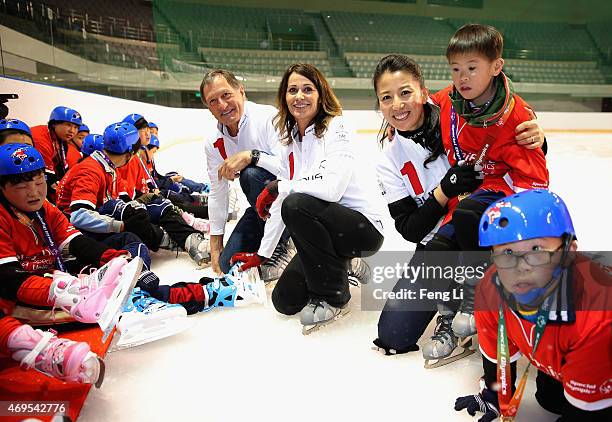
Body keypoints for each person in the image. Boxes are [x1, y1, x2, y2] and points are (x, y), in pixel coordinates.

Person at [372, 54, 546, 359]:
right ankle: (453, 309)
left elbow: (505, 129)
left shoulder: (456, 113)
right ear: (379, 104)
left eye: (405, 93)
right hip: (435, 244)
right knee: (393, 334)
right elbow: (410, 229)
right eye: (387, 98)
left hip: (480, 231)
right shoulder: (388, 158)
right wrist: (444, 191)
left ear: (423, 92)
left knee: (473, 227)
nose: (398, 105)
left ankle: (482, 312)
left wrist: (539, 139)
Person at [416, 24, 550, 366]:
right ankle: (450, 316)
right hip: (464, 198)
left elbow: (537, 181)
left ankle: (481, 296)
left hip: (502, 196)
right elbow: (414, 104)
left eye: (472, 68)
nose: (463, 77)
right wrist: (390, 119)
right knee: (436, 253)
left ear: (496, 66)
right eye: (456, 69)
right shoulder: (448, 100)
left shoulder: (518, 117)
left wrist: (510, 227)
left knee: (470, 216)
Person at [455, 189, 611, 421]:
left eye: (536, 250)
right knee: (550, 399)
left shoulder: (598, 319)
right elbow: (498, 357)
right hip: (564, 346)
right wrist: (495, 396)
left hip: (600, 351)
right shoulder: (489, 288)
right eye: (507, 252)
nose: (520, 266)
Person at [252, 63, 385, 334]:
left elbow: (332, 189)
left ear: (320, 94)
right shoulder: (290, 141)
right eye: (292, 90)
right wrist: (262, 254)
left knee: (296, 203)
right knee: (285, 301)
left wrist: (282, 186)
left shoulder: (337, 128)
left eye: (307, 89)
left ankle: (334, 297)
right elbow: (282, 203)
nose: (299, 96)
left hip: (361, 230)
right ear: (284, 97)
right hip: (325, 231)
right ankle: (346, 263)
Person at [0, 143, 139, 386]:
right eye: (21, 185)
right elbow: (7, 279)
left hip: (42, 280)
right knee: (93, 309)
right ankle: (40, 348)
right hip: (13, 296)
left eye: (39, 181)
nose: (34, 192)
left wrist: (113, 259)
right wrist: (65, 293)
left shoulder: (45, 208)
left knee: (121, 256)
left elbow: (74, 240)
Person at [56, 122, 209, 267]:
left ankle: (190, 240)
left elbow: (126, 200)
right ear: (130, 153)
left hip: (100, 219)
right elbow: (78, 216)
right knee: (125, 217)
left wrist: (139, 212)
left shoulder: (108, 165)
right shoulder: (90, 171)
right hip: (77, 235)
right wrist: (121, 226)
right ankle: (171, 241)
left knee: (154, 206)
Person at [200, 69, 295, 280]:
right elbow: (217, 193)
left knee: (250, 175)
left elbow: (291, 171)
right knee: (227, 264)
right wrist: (216, 244)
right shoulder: (213, 143)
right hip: (260, 207)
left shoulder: (268, 118)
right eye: (213, 101)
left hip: (288, 203)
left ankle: (285, 243)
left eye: (226, 95)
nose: (222, 105)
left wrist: (251, 156)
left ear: (241, 91)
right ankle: (270, 238)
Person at [30, 106, 83, 199]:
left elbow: (62, 173)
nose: (72, 131)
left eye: (76, 127)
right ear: (54, 124)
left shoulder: (61, 141)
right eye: (68, 125)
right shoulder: (41, 139)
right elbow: (48, 178)